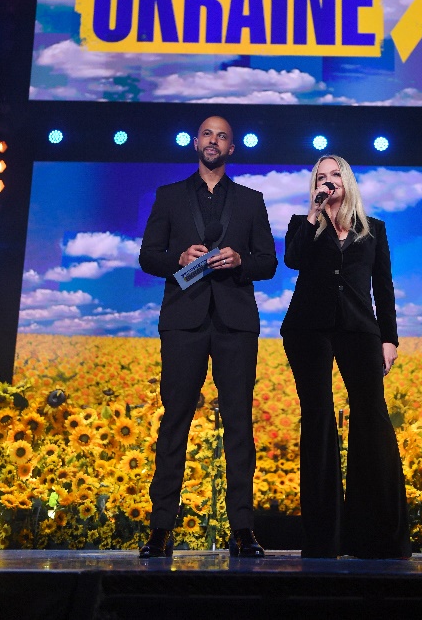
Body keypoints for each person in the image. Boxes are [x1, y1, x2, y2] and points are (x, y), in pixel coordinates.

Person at [138, 116, 277, 558]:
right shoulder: (169, 196)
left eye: (222, 136)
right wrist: (178, 258)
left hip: (236, 324)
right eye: (207, 134)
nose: (213, 140)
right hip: (183, 321)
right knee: (174, 422)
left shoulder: (252, 200)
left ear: (231, 148)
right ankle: (161, 529)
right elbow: (148, 256)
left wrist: (241, 260)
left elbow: (268, 262)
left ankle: (243, 530)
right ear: (195, 142)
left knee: (238, 425)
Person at [280, 155, 411, 559]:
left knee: (371, 416)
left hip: (359, 329)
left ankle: (377, 537)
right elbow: (293, 260)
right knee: (318, 418)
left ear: (347, 180)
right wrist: (313, 214)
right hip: (308, 329)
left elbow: (383, 287)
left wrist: (389, 339)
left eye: (335, 174)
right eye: (321, 177)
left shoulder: (374, 230)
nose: (328, 181)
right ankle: (324, 539)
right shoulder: (302, 224)